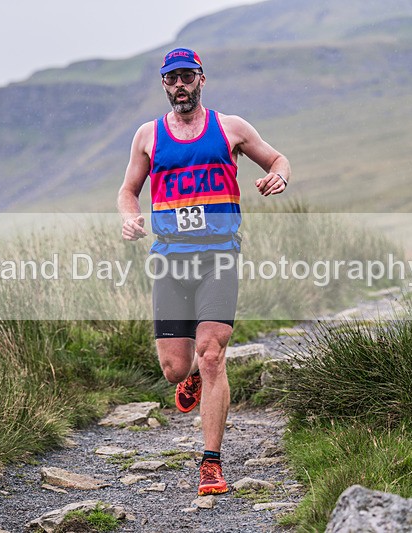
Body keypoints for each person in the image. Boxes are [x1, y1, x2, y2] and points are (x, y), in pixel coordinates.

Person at [117, 47, 291, 496]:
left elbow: (277, 159)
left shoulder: (230, 128)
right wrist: (129, 217)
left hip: (219, 258)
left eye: (187, 77)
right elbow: (128, 191)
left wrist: (279, 176)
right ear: (163, 85)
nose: (180, 85)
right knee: (174, 369)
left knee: (212, 353)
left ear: (201, 79)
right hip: (170, 263)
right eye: (172, 78)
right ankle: (190, 375)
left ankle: (210, 464)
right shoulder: (148, 136)